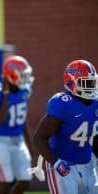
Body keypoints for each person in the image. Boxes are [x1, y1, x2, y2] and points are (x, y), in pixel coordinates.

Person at [34, 59, 98, 194]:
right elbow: (39, 138)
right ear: (72, 82)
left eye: (93, 82)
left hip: (87, 162)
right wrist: (56, 163)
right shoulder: (62, 103)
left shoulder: (96, 103)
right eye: (86, 83)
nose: (91, 87)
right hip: (63, 163)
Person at [0, 56, 34, 194]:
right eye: (22, 75)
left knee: (25, 180)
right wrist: (6, 93)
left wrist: (29, 142)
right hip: (0, 140)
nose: (26, 78)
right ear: (11, 75)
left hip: (18, 140)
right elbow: (0, 119)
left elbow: (21, 119)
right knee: (6, 182)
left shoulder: (24, 90)